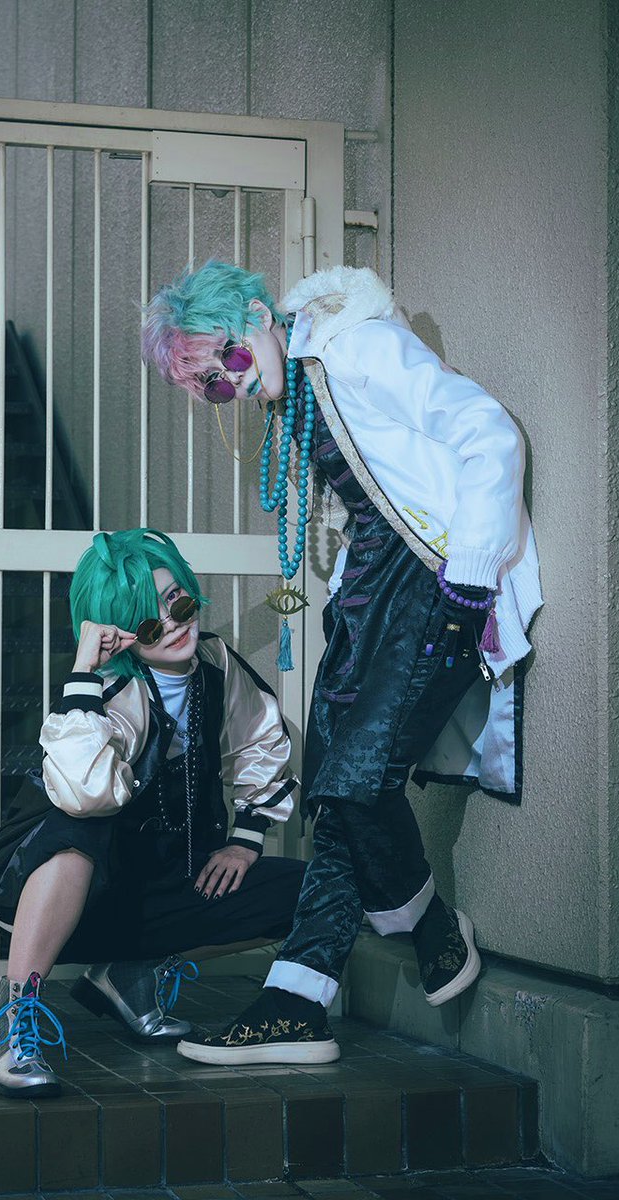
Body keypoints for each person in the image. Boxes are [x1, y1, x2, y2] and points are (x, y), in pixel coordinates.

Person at [142, 262, 542, 1064]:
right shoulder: (302, 383)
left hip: (434, 580)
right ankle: (296, 1001)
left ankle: (424, 923)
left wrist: (470, 571)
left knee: (356, 781)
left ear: (258, 318)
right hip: (373, 595)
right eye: (212, 387)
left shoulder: (355, 348)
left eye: (229, 361)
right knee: (331, 784)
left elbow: (488, 430)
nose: (230, 384)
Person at [0, 527, 307, 1096]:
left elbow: (260, 740)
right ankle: (14, 1019)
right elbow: (84, 792)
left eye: (178, 601)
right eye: (147, 622)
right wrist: (84, 668)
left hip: (159, 882)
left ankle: (130, 974)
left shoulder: (216, 664)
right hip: (63, 891)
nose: (173, 623)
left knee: (308, 891)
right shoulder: (108, 692)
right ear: (121, 633)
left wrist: (245, 838)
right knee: (77, 828)